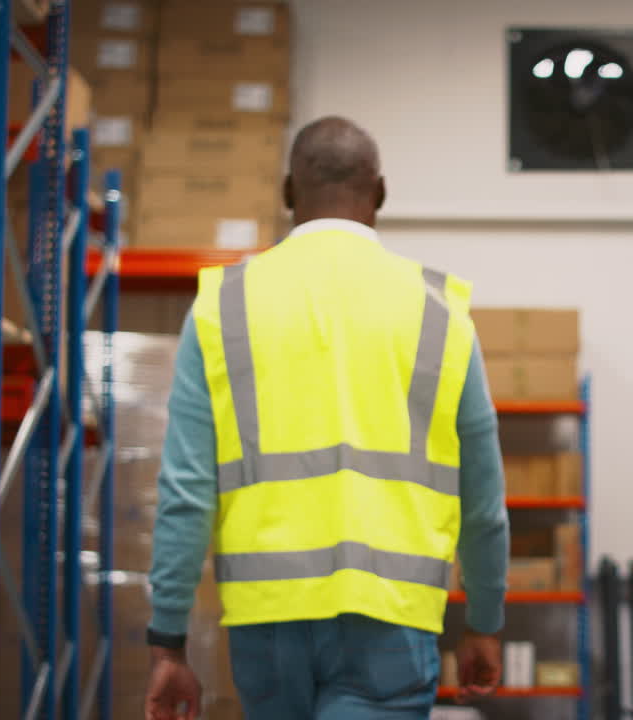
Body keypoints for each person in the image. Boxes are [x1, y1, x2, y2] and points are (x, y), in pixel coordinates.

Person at [143, 116, 510, 720]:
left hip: (267, 623)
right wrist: (485, 623)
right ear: (381, 195)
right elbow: (483, 500)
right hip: (390, 621)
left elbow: (186, 493)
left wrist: (168, 641)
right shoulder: (441, 314)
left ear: (288, 193)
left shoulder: (221, 307)